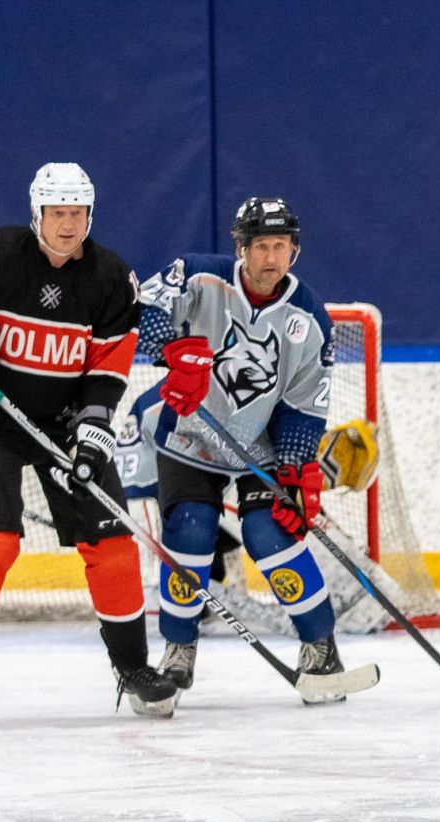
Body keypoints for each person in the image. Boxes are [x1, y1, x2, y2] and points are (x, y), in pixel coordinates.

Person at [134, 196, 347, 705]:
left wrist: (295, 467)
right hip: (190, 434)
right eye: (261, 246)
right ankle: (179, 648)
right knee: (190, 531)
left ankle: (321, 647)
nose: (271, 258)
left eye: (281, 246)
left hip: (261, 445)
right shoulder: (199, 276)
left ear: (294, 251)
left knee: (271, 534)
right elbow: (146, 308)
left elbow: (303, 405)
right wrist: (171, 351)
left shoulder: (309, 317)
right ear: (241, 249)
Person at [0, 163, 176, 717]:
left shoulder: (110, 278)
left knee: (113, 544)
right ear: (38, 214)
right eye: (58, 212)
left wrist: (93, 435)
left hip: (64, 424)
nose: (68, 223)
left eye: (77, 212)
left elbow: (107, 371)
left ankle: (133, 669)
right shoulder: (1, 257)